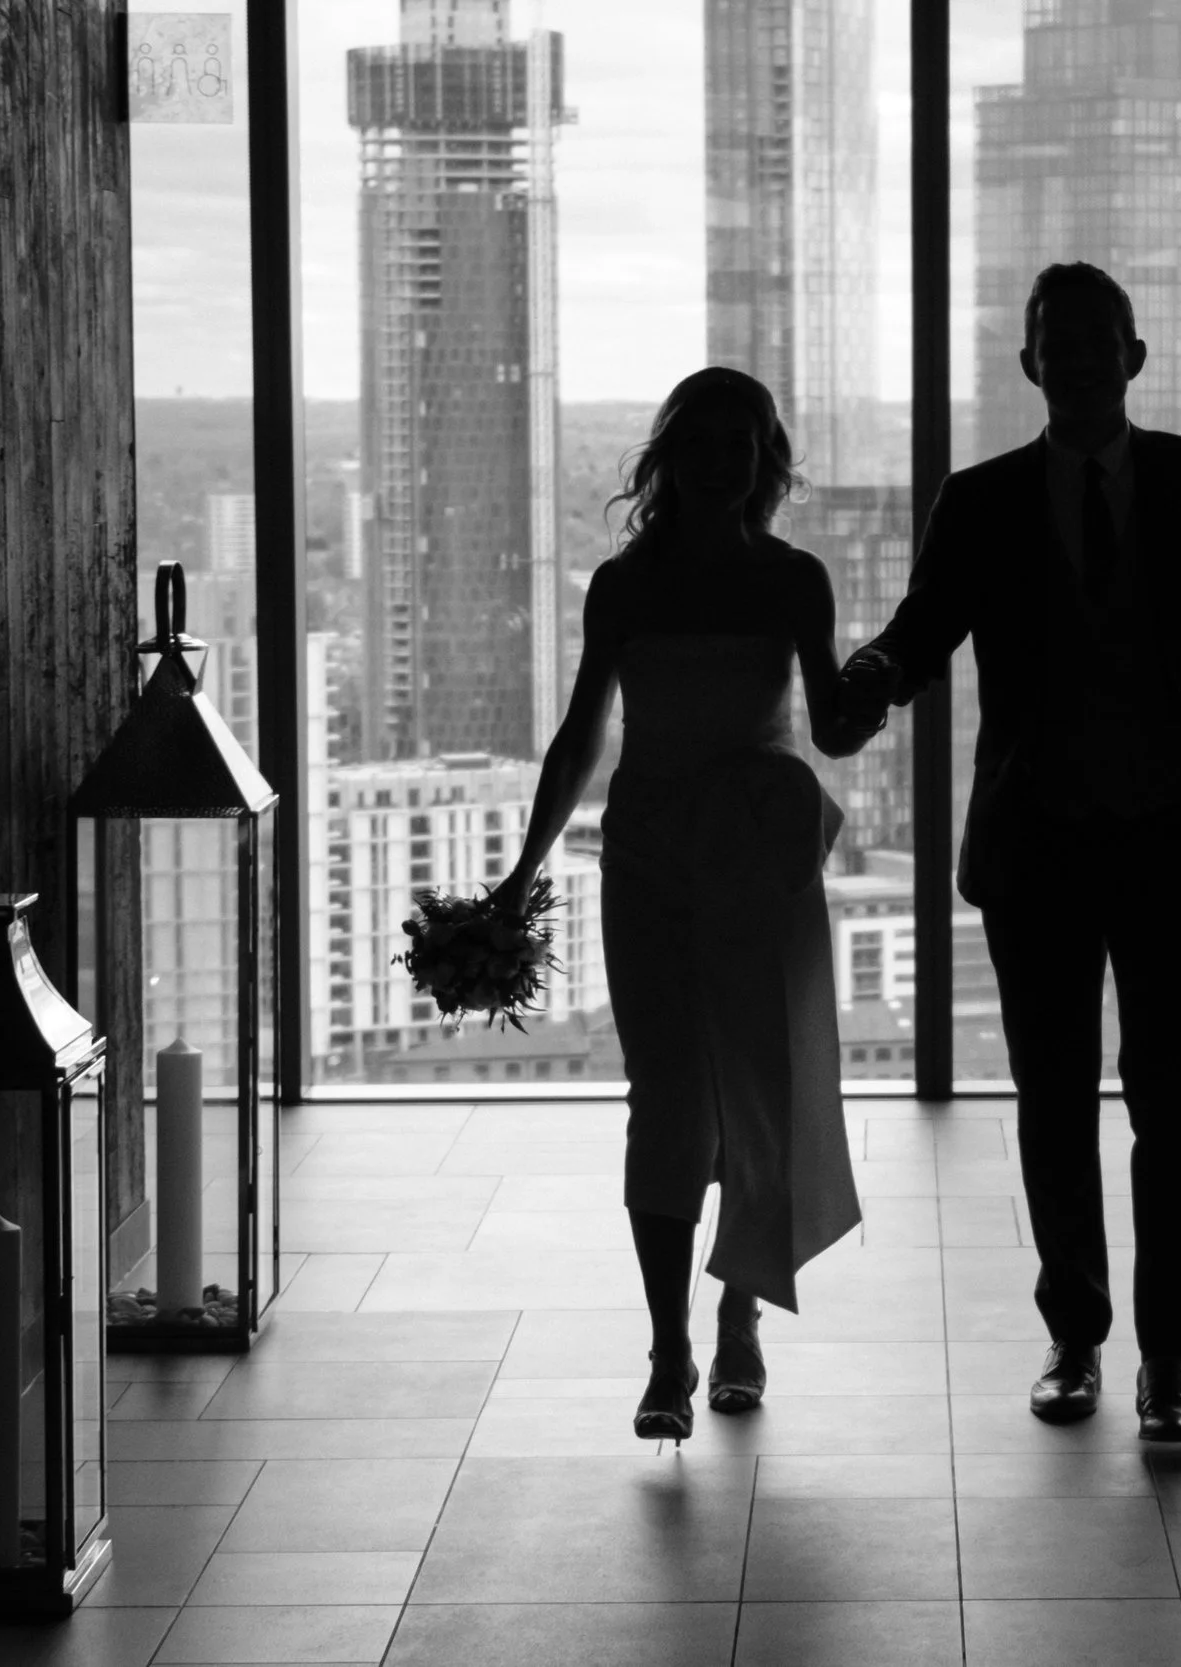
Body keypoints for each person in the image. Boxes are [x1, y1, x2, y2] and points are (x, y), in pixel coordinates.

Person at [840, 263, 1181, 1442]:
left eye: (1093, 340)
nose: (1073, 359)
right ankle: (1075, 1335)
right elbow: (923, 633)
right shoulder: (978, 500)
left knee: (1172, 1104)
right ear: (1029, 365)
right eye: (1051, 343)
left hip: (1171, 832)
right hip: (1038, 843)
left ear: (1133, 355)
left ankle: (1167, 1360)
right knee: (1052, 1100)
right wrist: (864, 682)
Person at [495, 367, 875, 1442]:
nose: (721, 461)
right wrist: (525, 869)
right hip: (653, 857)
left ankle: (739, 1314)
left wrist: (876, 692)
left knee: (755, 1087)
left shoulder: (796, 579)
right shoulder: (623, 584)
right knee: (665, 1095)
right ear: (671, 456)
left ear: (766, 460)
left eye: (740, 443)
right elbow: (582, 736)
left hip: (758, 858)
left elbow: (835, 725)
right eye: (702, 442)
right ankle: (671, 1343)